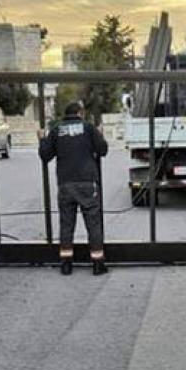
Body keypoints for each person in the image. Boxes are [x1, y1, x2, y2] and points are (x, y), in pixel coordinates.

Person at [38, 102, 109, 276]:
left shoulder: (56, 130)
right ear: (80, 113)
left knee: (66, 224)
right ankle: (98, 263)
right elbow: (102, 150)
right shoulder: (88, 128)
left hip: (65, 184)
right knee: (93, 223)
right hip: (87, 182)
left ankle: (66, 264)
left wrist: (42, 139)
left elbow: (45, 155)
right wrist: (100, 135)